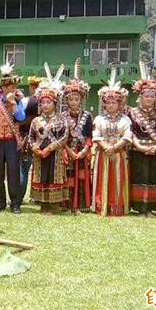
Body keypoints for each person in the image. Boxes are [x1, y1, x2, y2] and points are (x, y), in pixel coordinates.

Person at [128, 61, 156, 216]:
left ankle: (151, 208)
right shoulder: (132, 112)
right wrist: (139, 146)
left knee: (154, 177)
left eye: (152, 96)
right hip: (138, 150)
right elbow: (130, 131)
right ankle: (140, 208)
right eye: (146, 95)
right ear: (141, 96)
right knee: (140, 177)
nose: (149, 98)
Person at [92, 65, 132, 216]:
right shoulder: (99, 118)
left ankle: (117, 206)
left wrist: (114, 148)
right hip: (102, 154)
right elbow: (96, 135)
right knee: (102, 179)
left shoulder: (126, 119)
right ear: (104, 104)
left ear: (120, 104)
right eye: (107, 102)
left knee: (118, 180)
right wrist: (106, 148)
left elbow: (127, 136)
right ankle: (101, 205)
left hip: (119, 154)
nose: (110, 105)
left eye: (113, 102)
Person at [29, 63, 69, 214]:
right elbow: (31, 137)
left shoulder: (61, 119)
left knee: (53, 177)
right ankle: (43, 204)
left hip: (55, 155)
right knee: (42, 177)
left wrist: (49, 148)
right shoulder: (36, 120)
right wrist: (35, 148)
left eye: (48, 102)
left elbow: (64, 137)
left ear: (55, 103)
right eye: (43, 102)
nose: (45, 105)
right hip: (39, 154)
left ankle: (54, 205)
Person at [0, 63, 26, 213]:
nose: (12, 89)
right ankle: (0, 202)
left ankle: (15, 203)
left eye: (13, 86)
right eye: (9, 87)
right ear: (3, 87)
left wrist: (13, 103)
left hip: (12, 140)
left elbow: (21, 117)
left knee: (13, 172)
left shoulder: (17, 101)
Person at [61, 58, 93, 213]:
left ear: (81, 100)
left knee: (81, 178)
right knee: (69, 178)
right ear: (67, 100)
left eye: (77, 99)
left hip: (81, 151)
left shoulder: (87, 116)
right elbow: (61, 137)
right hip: (68, 151)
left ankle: (80, 205)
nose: (74, 102)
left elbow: (89, 136)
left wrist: (83, 151)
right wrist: (68, 150)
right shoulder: (62, 116)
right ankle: (67, 205)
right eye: (71, 99)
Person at [20, 76, 40, 203]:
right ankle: (38, 197)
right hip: (43, 140)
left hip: (27, 138)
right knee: (40, 169)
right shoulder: (50, 102)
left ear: (32, 87)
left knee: (24, 168)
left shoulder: (26, 101)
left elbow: (20, 119)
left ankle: (19, 197)